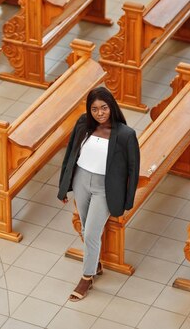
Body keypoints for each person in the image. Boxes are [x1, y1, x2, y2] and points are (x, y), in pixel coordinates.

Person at [57, 86, 140, 301]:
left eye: (104, 108)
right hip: (81, 180)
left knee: (92, 233)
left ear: (111, 106)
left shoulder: (125, 134)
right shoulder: (83, 123)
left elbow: (133, 169)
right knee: (85, 228)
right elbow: (70, 154)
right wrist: (64, 186)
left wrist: (127, 201)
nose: (100, 113)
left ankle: (86, 278)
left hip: (106, 187)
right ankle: (95, 263)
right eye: (94, 109)